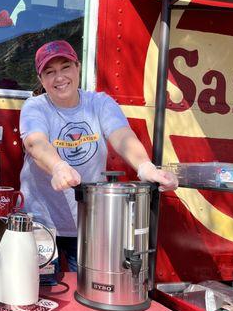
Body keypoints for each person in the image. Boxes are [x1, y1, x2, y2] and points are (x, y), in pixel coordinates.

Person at [19, 40, 178, 272]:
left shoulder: (100, 103)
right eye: (49, 72)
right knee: (39, 292)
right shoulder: (35, 107)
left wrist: (146, 167)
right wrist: (58, 167)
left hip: (88, 223)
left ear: (78, 67)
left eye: (65, 67)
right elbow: (35, 143)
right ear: (41, 80)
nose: (59, 77)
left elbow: (122, 136)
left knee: (87, 294)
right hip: (41, 223)